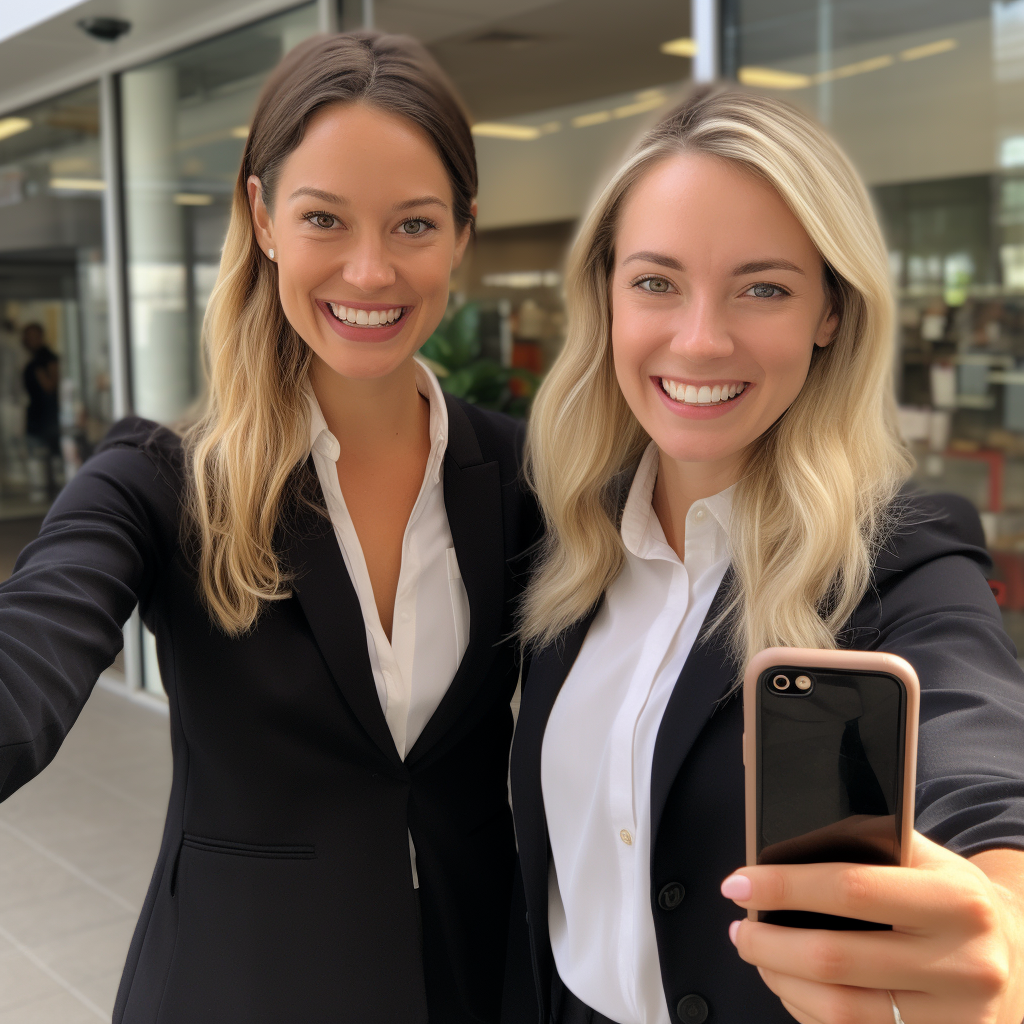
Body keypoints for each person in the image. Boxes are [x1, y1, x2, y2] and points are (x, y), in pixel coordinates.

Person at [0, 32, 537, 1024]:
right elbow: (27, 651)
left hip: (468, 978)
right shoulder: (163, 481)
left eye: (413, 225)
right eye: (324, 218)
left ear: (463, 229)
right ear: (262, 216)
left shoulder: (524, 473)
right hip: (240, 982)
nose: (369, 271)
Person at [505, 87, 1024, 1024]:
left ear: (830, 311)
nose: (701, 339)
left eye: (765, 288)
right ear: (607, 296)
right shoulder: (570, 534)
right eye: (656, 282)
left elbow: (981, 765)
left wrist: (1005, 918)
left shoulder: (901, 556)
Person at [20, 321, 62, 500]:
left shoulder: (46, 357)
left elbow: (51, 386)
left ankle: (47, 495)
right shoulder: (32, 357)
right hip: (36, 413)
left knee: (46, 459)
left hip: (47, 416)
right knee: (38, 458)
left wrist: (38, 370)